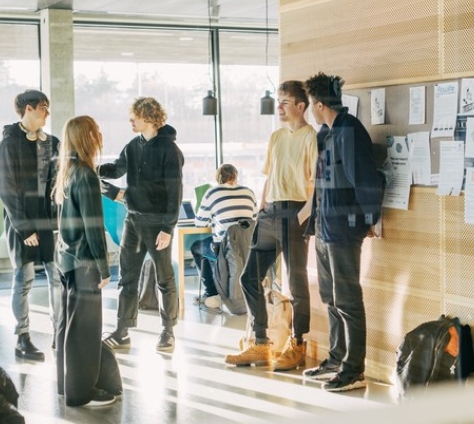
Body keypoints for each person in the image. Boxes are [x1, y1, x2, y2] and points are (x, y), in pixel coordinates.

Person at [224, 80, 317, 371]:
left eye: (284, 102)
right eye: (278, 101)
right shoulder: (276, 137)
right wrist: (261, 208)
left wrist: (303, 217)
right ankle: (261, 344)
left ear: (301, 106)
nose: (279, 107)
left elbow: (316, 182)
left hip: (294, 213)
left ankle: (297, 344)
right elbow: (270, 175)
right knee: (248, 278)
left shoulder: (311, 137)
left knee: (298, 285)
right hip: (269, 214)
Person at [303, 72, 383, 392]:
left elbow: (365, 179)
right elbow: (321, 186)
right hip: (324, 229)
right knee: (329, 298)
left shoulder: (350, 132)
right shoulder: (327, 133)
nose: (310, 110)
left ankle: (354, 368)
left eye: (310, 105)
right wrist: (313, 226)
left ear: (319, 104)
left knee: (348, 300)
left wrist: (369, 220)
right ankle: (336, 357)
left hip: (345, 229)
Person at [100, 97, 184, 352]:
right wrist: (91, 169)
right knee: (127, 278)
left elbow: (175, 192)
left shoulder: (170, 151)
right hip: (133, 221)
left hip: (158, 223)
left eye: (134, 116)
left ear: (148, 117)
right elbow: (116, 170)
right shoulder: (132, 146)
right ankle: (122, 331)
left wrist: (168, 228)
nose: (130, 121)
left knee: (164, 279)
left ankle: (168, 331)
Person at [52, 115, 116, 407]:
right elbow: (93, 227)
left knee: (68, 326)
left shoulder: (67, 172)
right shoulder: (86, 175)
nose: (99, 133)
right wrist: (104, 268)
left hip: (65, 259)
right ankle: (82, 392)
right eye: (95, 129)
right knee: (85, 331)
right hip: (84, 262)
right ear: (86, 137)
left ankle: (67, 386)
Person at [0, 89, 61, 362]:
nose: (47, 113)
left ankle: (61, 331)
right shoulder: (8, 144)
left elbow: (59, 182)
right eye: (44, 107)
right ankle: (23, 337)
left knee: (57, 278)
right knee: (24, 279)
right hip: (21, 221)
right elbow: (6, 190)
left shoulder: (53, 142)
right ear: (29, 109)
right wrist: (25, 228)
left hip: (49, 221)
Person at [191, 164, 257, 309]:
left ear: (218, 178)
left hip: (224, 247)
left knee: (196, 248)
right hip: (248, 246)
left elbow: (200, 223)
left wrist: (214, 218)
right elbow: (254, 218)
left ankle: (211, 293)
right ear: (235, 176)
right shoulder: (249, 192)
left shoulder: (212, 193)